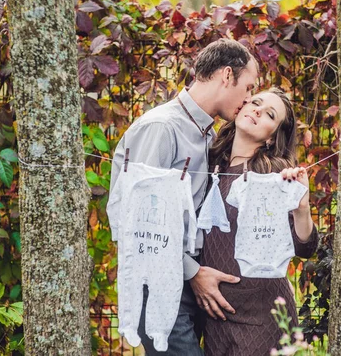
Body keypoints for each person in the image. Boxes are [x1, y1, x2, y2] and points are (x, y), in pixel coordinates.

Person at [108, 38, 259, 355]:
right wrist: (193, 273)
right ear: (227, 75)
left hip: (191, 281)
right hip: (159, 284)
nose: (249, 100)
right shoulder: (162, 128)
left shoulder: (208, 133)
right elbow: (138, 225)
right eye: (248, 88)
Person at [200, 88, 319, 356]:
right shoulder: (208, 163)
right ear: (240, 108)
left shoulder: (272, 174)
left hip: (262, 318)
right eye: (255, 103)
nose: (256, 110)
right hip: (216, 317)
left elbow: (304, 249)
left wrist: (302, 208)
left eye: (269, 114)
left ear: (271, 137)